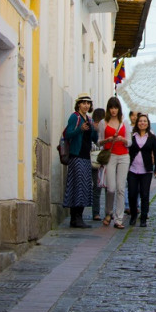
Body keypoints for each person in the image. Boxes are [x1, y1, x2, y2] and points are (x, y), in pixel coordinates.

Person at [62, 92, 95, 229]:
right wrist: (79, 129)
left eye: (88, 103)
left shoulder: (89, 119)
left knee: (84, 186)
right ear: (79, 104)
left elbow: (93, 138)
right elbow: (68, 134)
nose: (86, 105)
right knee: (77, 186)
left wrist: (96, 130)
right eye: (83, 103)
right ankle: (76, 217)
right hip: (76, 156)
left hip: (86, 156)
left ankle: (77, 218)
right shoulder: (74, 117)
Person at [99, 97, 130, 229]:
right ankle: (109, 212)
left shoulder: (124, 122)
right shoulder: (103, 123)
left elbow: (130, 142)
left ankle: (119, 219)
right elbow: (99, 141)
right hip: (110, 155)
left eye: (115, 107)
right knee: (111, 188)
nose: (113, 110)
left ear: (119, 109)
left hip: (124, 156)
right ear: (108, 109)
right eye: (111, 108)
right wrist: (108, 140)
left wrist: (122, 139)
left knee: (121, 188)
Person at [127, 113, 156, 227]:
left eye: (145, 121)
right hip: (132, 169)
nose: (142, 123)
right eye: (140, 121)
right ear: (137, 123)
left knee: (144, 194)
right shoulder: (132, 136)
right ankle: (133, 215)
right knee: (132, 194)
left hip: (146, 170)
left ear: (148, 123)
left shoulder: (152, 137)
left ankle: (144, 218)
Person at [89, 107, 106, 221]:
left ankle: (97, 213)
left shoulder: (103, 130)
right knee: (98, 188)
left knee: (97, 188)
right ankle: (98, 213)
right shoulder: (92, 131)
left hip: (99, 161)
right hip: (97, 161)